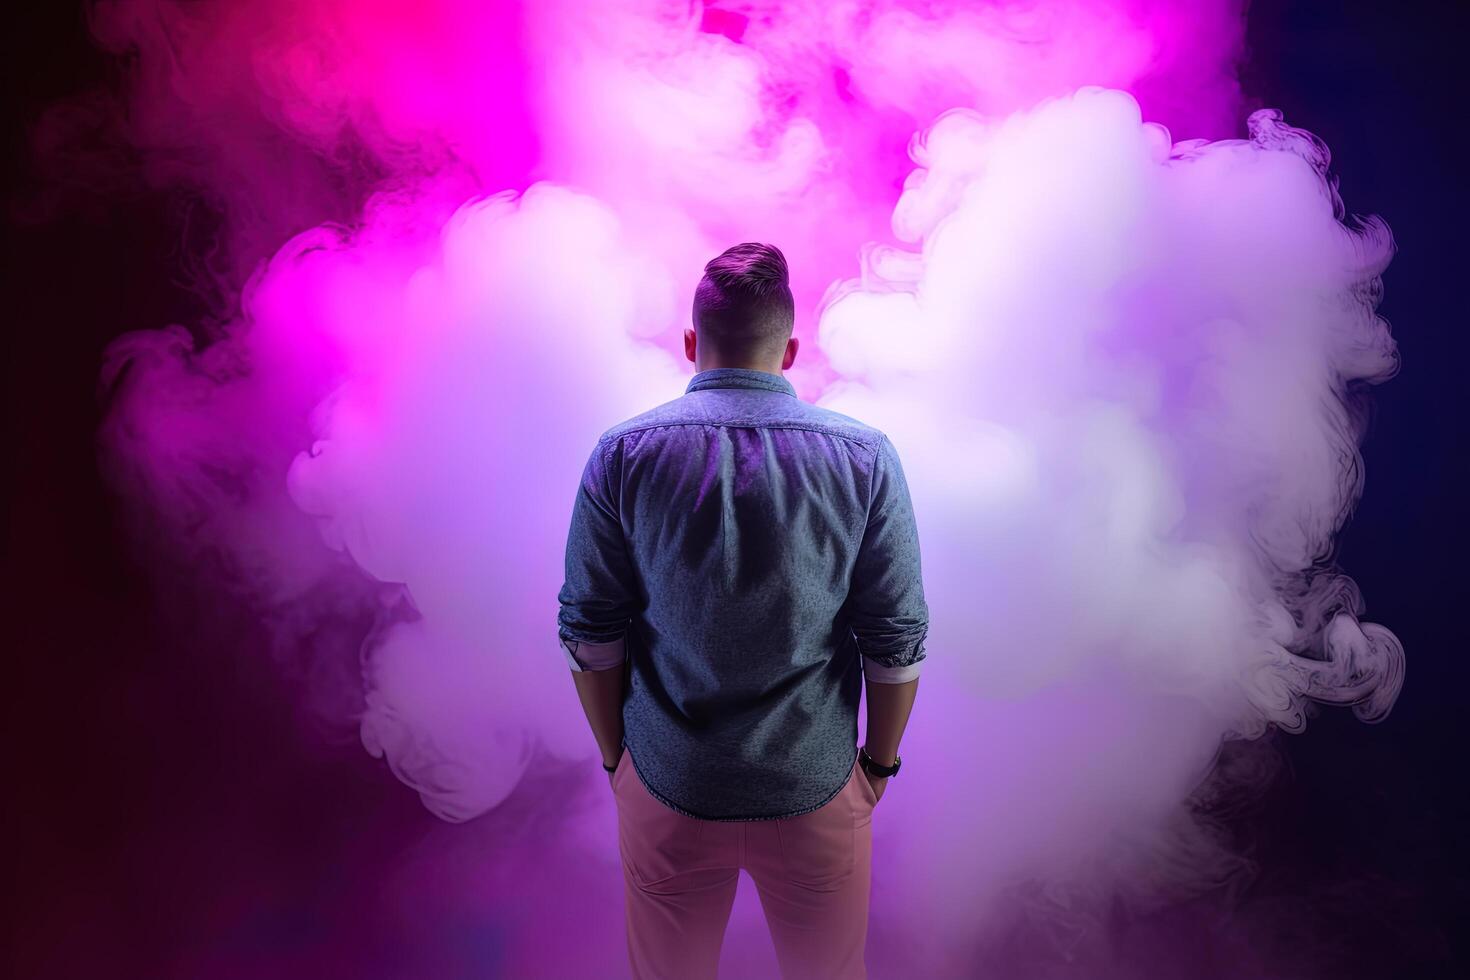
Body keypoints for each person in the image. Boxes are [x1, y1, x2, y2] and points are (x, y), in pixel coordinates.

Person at [557, 242, 929, 980]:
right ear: (789, 350)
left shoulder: (623, 454)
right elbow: (895, 641)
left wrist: (617, 760)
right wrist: (877, 767)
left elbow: (590, 634)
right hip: (813, 787)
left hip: (670, 785)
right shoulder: (865, 456)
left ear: (692, 343)